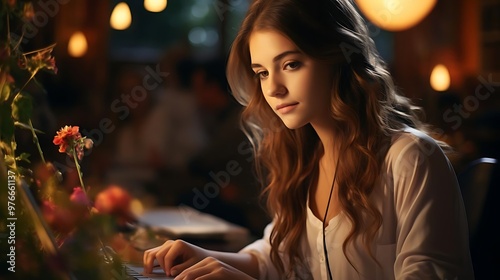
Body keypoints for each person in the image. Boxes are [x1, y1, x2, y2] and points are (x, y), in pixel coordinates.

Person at [143, 0, 475, 279]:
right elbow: (277, 255)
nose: (273, 88)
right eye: (262, 72)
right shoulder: (306, 158)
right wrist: (201, 256)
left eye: (290, 64)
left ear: (338, 57)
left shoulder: (411, 159)